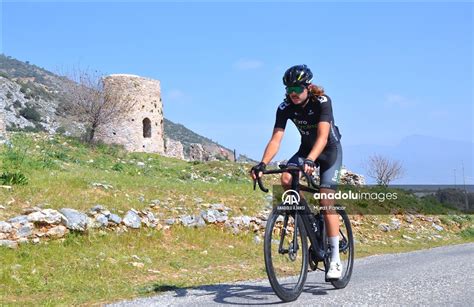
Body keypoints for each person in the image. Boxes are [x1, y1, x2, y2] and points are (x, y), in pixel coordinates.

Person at [250, 64, 343, 279]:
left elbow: (322, 137)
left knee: (326, 199)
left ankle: (336, 259)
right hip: (305, 150)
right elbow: (276, 138)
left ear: (308, 87)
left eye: (297, 90)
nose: (292, 94)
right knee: (286, 178)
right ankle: (309, 221)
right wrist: (262, 164)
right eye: (289, 90)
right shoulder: (285, 107)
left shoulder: (322, 102)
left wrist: (311, 159)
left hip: (329, 151)